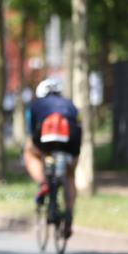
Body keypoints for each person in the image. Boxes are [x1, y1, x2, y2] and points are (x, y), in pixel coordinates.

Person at [24, 77, 82, 236]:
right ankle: (69, 213)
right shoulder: (70, 105)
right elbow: (79, 125)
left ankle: (43, 183)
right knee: (70, 175)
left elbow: (30, 131)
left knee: (30, 153)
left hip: (45, 138)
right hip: (71, 139)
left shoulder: (35, 105)